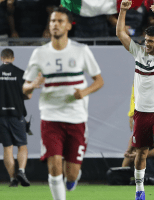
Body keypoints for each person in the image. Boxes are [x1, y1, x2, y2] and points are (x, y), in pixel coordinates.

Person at [22, 7, 104, 200]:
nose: (55, 24)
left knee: (71, 174)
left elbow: (99, 80)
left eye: (59, 21)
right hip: (50, 117)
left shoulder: (81, 51)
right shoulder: (39, 53)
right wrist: (32, 84)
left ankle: (73, 177)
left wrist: (83, 92)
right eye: (52, 21)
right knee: (54, 165)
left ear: (68, 25)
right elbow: (25, 88)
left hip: (76, 118)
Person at [116, 1, 154, 199]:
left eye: (150, 41)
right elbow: (120, 34)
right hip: (141, 113)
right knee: (140, 153)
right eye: (145, 40)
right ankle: (139, 190)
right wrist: (123, 10)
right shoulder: (139, 53)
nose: (146, 44)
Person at [0, 48, 31, 187]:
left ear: (1, 58)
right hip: (17, 115)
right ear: (12, 58)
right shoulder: (20, 73)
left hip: (0, 115)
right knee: (22, 146)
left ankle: (13, 179)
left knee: (7, 148)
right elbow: (28, 95)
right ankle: (21, 171)